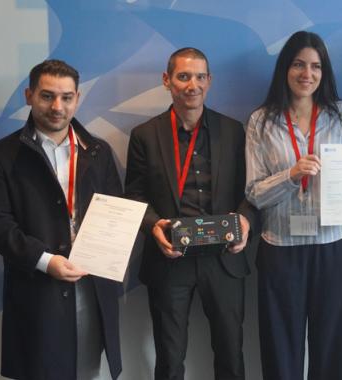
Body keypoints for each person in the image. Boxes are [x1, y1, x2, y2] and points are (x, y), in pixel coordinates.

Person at [0, 59, 123, 380]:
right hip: (37, 288)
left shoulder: (98, 151)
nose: (58, 106)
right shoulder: (0, 156)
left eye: (66, 97)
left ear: (77, 98)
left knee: (88, 371)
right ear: (29, 95)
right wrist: (45, 261)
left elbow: (115, 211)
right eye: (47, 96)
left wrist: (106, 253)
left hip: (92, 284)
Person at [124, 47, 255, 380]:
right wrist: (153, 226)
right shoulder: (144, 136)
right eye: (183, 76)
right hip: (171, 258)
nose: (192, 85)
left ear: (209, 81)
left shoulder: (233, 131)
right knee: (169, 358)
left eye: (199, 77)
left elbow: (251, 191)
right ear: (167, 80)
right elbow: (135, 195)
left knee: (231, 354)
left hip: (224, 258)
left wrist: (245, 220)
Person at [245, 31, 342, 380]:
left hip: (335, 247)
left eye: (315, 66)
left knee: (335, 350)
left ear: (324, 72)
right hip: (281, 250)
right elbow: (253, 192)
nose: (306, 74)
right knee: (281, 351)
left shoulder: (341, 115)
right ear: (285, 68)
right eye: (298, 64)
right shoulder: (261, 121)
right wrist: (291, 175)